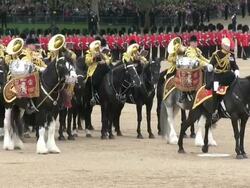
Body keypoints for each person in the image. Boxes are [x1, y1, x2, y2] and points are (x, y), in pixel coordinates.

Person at [205, 37, 239, 115]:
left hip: (228, 76)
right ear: (222, 45)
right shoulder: (216, 54)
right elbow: (211, 63)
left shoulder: (231, 55)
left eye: (228, 46)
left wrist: (237, 71)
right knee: (215, 90)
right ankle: (215, 110)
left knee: (237, 86)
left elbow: (234, 65)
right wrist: (210, 66)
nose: (228, 47)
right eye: (226, 46)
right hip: (218, 76)